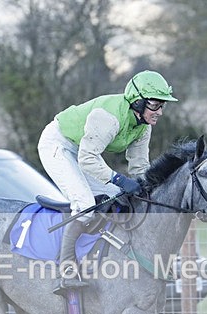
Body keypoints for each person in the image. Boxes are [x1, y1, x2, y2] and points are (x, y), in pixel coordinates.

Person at [38, 70, 178, 295]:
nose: (160, 112)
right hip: (58, 145)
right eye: (155, 105)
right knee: (85, 204)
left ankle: (103, 258)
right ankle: (65, 270)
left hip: (84, 151)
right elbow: (87, 159)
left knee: (118, 199)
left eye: (162, 105)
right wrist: (119, 179)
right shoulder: (108, 117)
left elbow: (139, 167)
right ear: (138, 102)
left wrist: (148, 189)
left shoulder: (143, 126)